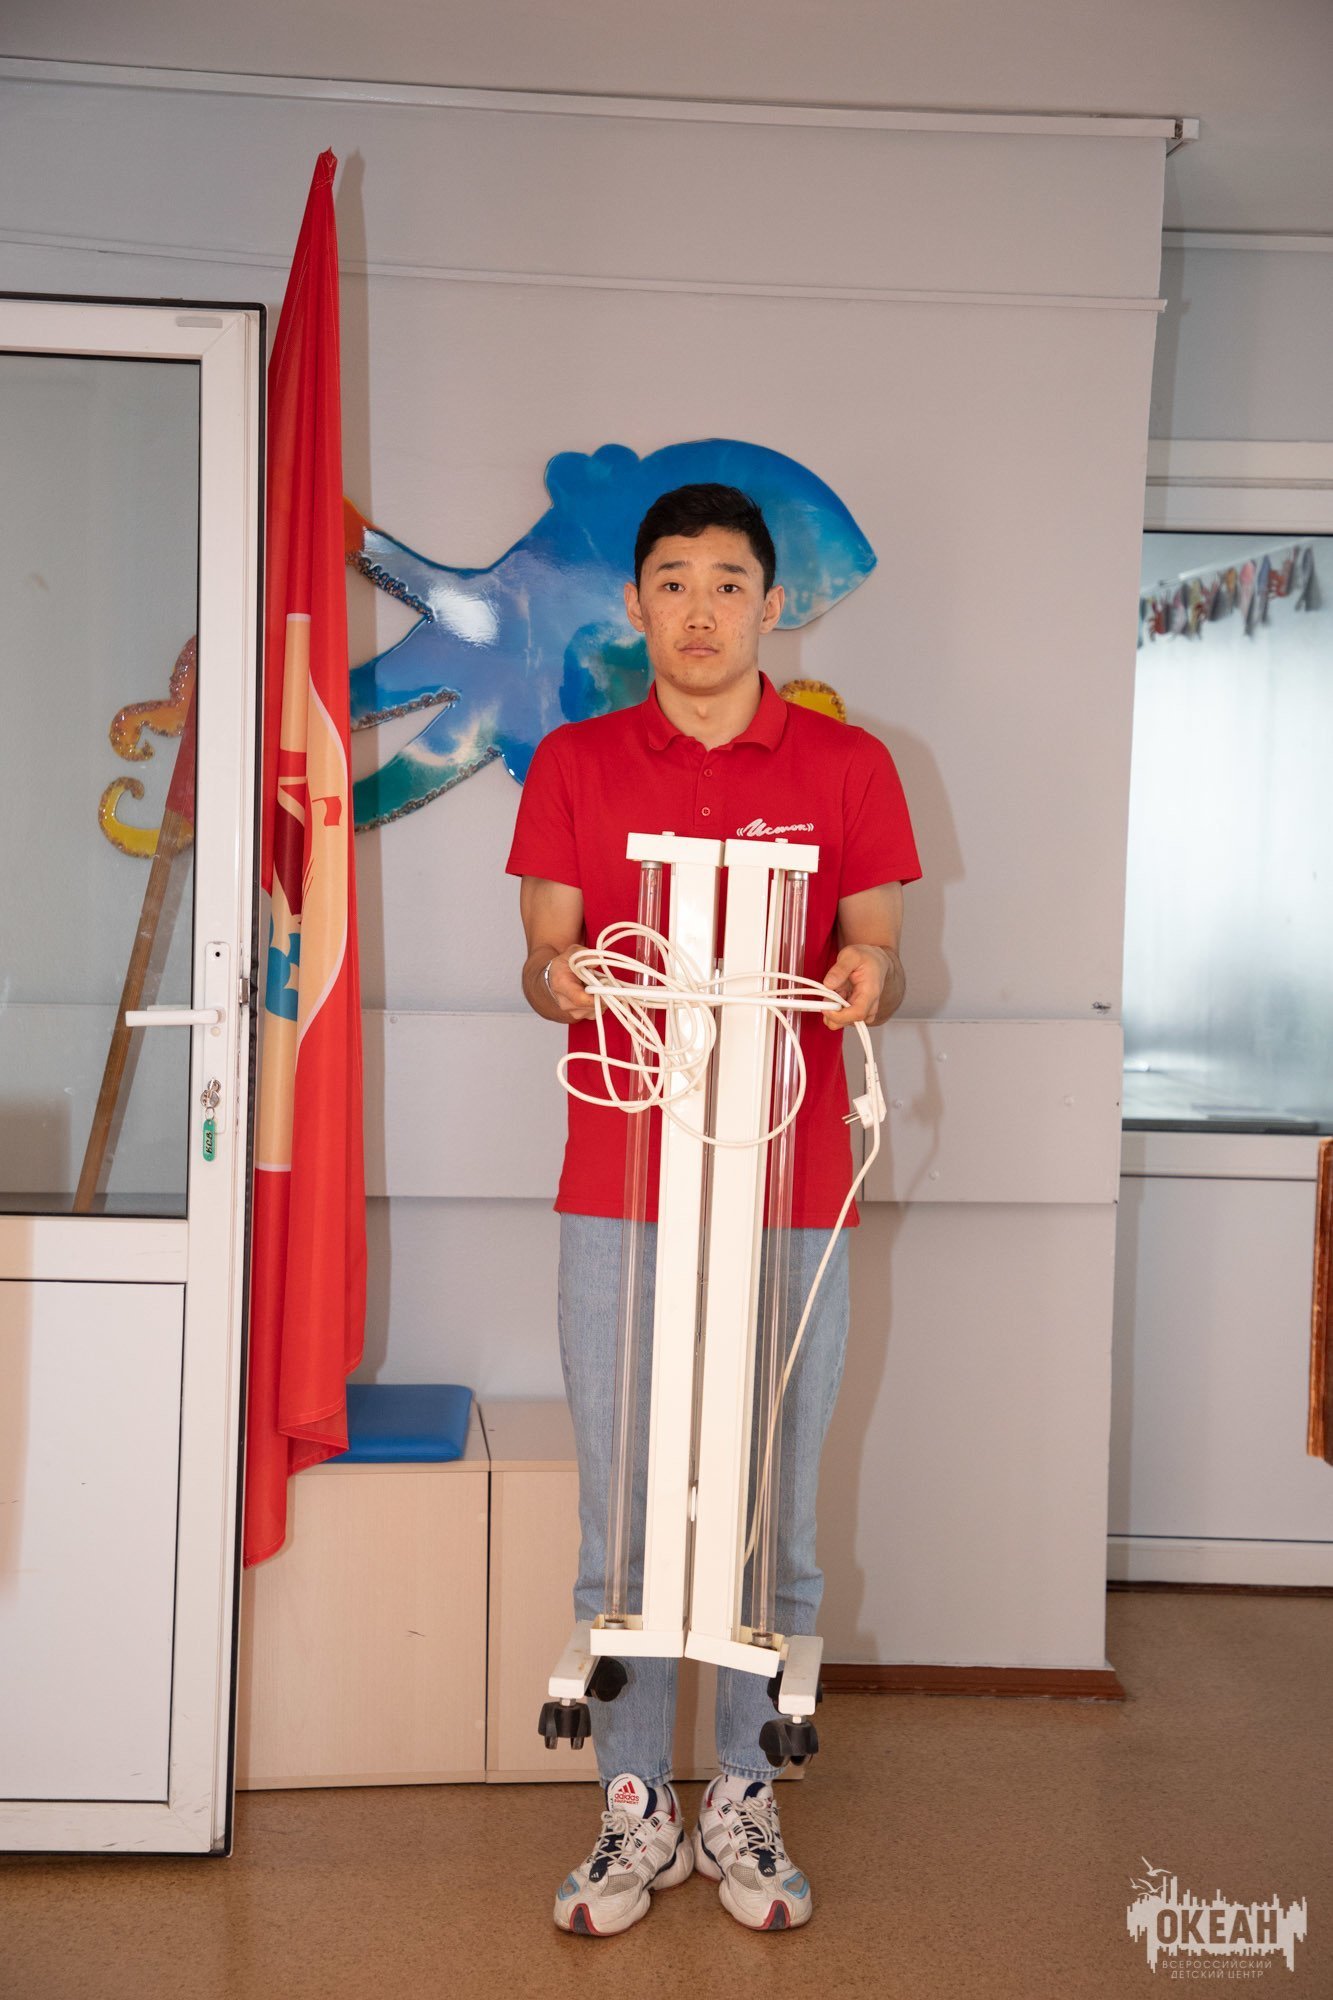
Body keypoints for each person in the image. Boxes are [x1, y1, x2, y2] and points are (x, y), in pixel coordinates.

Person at [506, 482, 922, 1936]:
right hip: (619, 1188)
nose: (699, 608)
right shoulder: (574, 762)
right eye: (672, 581)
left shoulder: (848, 764)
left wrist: (866, 977)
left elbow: (876, 947)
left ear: (769, 604)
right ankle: (634, 1808)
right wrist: (562, 979)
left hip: (789, 1192)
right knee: (622, 1505)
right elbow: (544, 951)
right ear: (636, 604)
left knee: (771, 1511)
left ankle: (746, 1793)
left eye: (727, 582)